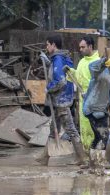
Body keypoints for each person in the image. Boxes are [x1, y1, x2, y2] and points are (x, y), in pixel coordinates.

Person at [37, 34, 85, 165]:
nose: (46, 47)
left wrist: (49, 88)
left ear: (53, 45)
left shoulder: (58, 58)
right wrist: (47, 62)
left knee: (70, 128)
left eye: (48, 44)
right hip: (61, 99)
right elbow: (58, 71)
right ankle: (44, 156)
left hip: (61, 100)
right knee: (54, 128)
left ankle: (81, 157)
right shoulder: (60, 58)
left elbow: (61, 81)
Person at [67, 36, 100, 150]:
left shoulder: (97, 62)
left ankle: (93, 152)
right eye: (80, 47)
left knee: (93, 128)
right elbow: (78, 77)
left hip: (93, 101)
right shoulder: (82, 61)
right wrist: (70, 72)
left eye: (83, 47)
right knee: (84, 127)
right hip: (82, 100)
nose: (80, 49)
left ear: (90, 46)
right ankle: (86, 152)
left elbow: (101, 83)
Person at [83, 50, 110, 150]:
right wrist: (103, 61)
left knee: (99, 137)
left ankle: (92, 158)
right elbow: (91, 67)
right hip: (93, 109)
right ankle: (101, 160)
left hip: (100, 110)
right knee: (104, 137)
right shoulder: (99, 71)